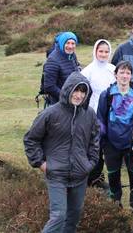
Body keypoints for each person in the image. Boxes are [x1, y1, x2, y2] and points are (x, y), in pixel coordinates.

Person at [24, 72, 100, 233]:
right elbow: (31, 139)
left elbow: (95, 140)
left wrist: (90, 163)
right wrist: (41, 164)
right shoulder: (50, 113)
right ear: (67, 90)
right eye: (76, 91)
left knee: (73, 217)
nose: (79, 95)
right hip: (56, 173)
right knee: (58, 216)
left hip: (80, 174)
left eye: (83, 91)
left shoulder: (90, 114)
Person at [97, 61, 133, 212]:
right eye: (122, 72)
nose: (125, 75)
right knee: (113, 176)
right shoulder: (106, 95)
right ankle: (115, 206)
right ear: (116, 74)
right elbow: (100, 118)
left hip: (132, 144)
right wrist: (102, 137)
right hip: (111, 144)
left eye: (128, 73)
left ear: (131, 75)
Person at [81, 38, 115, 188]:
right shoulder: (87, 71)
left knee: (105, 147)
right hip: (92, 114)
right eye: (100, 51)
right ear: (95, 52)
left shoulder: (113, 70)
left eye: (106, 51)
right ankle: (89, 177)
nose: (103, 54)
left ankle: (99, 176)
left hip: (110, 114)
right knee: (92, 146)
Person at [42, 31, 80, 107]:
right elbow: (49, 86)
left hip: (72, 102)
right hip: (58, 105)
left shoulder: (72, 56)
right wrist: (67, 97)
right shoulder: (53, 60)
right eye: (67, 43)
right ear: (62, 43)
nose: (70, 46)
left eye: (73, 43)